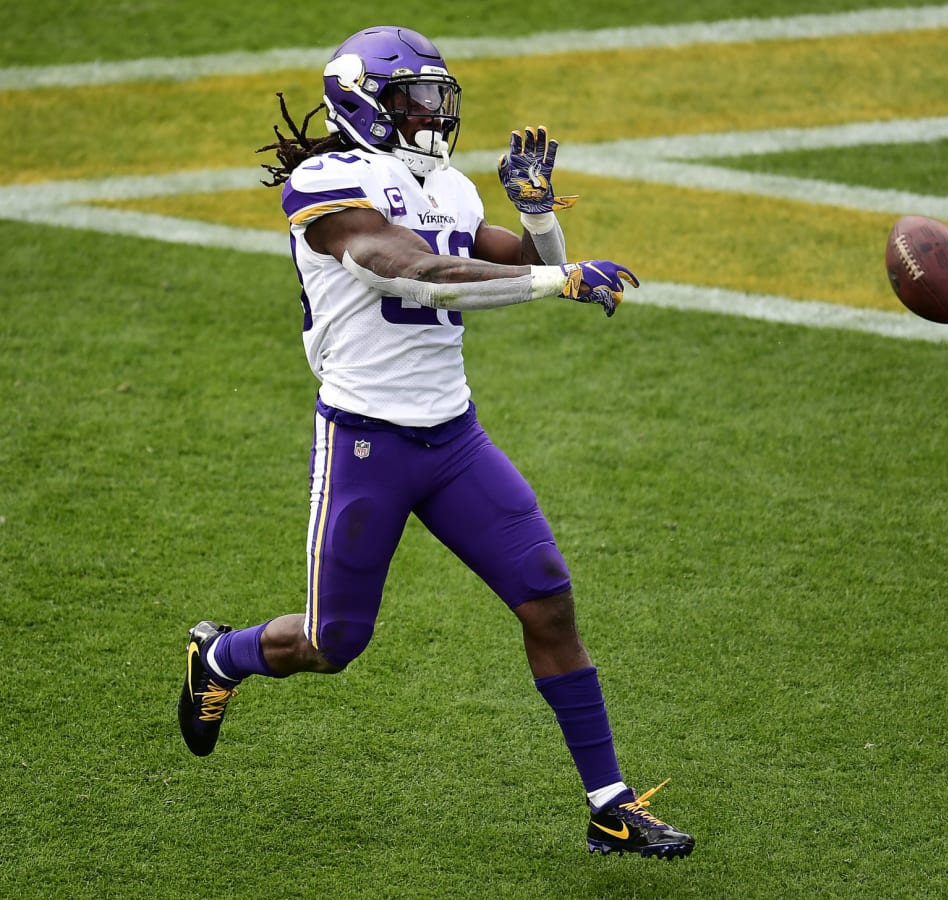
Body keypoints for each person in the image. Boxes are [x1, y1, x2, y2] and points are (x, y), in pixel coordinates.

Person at [176, 24, 694, 860]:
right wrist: (553, 276)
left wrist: (540, 222)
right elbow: (410, 274)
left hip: (453, 440)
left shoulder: (446, 187)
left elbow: (508, 260)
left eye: (436, 96)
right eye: (414, 96)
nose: (431, 112)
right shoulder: (327, 181)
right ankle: (222, 656)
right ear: (363, 101)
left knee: (548, 598)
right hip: (366, 444)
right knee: (331, 642)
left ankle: (609, 804)